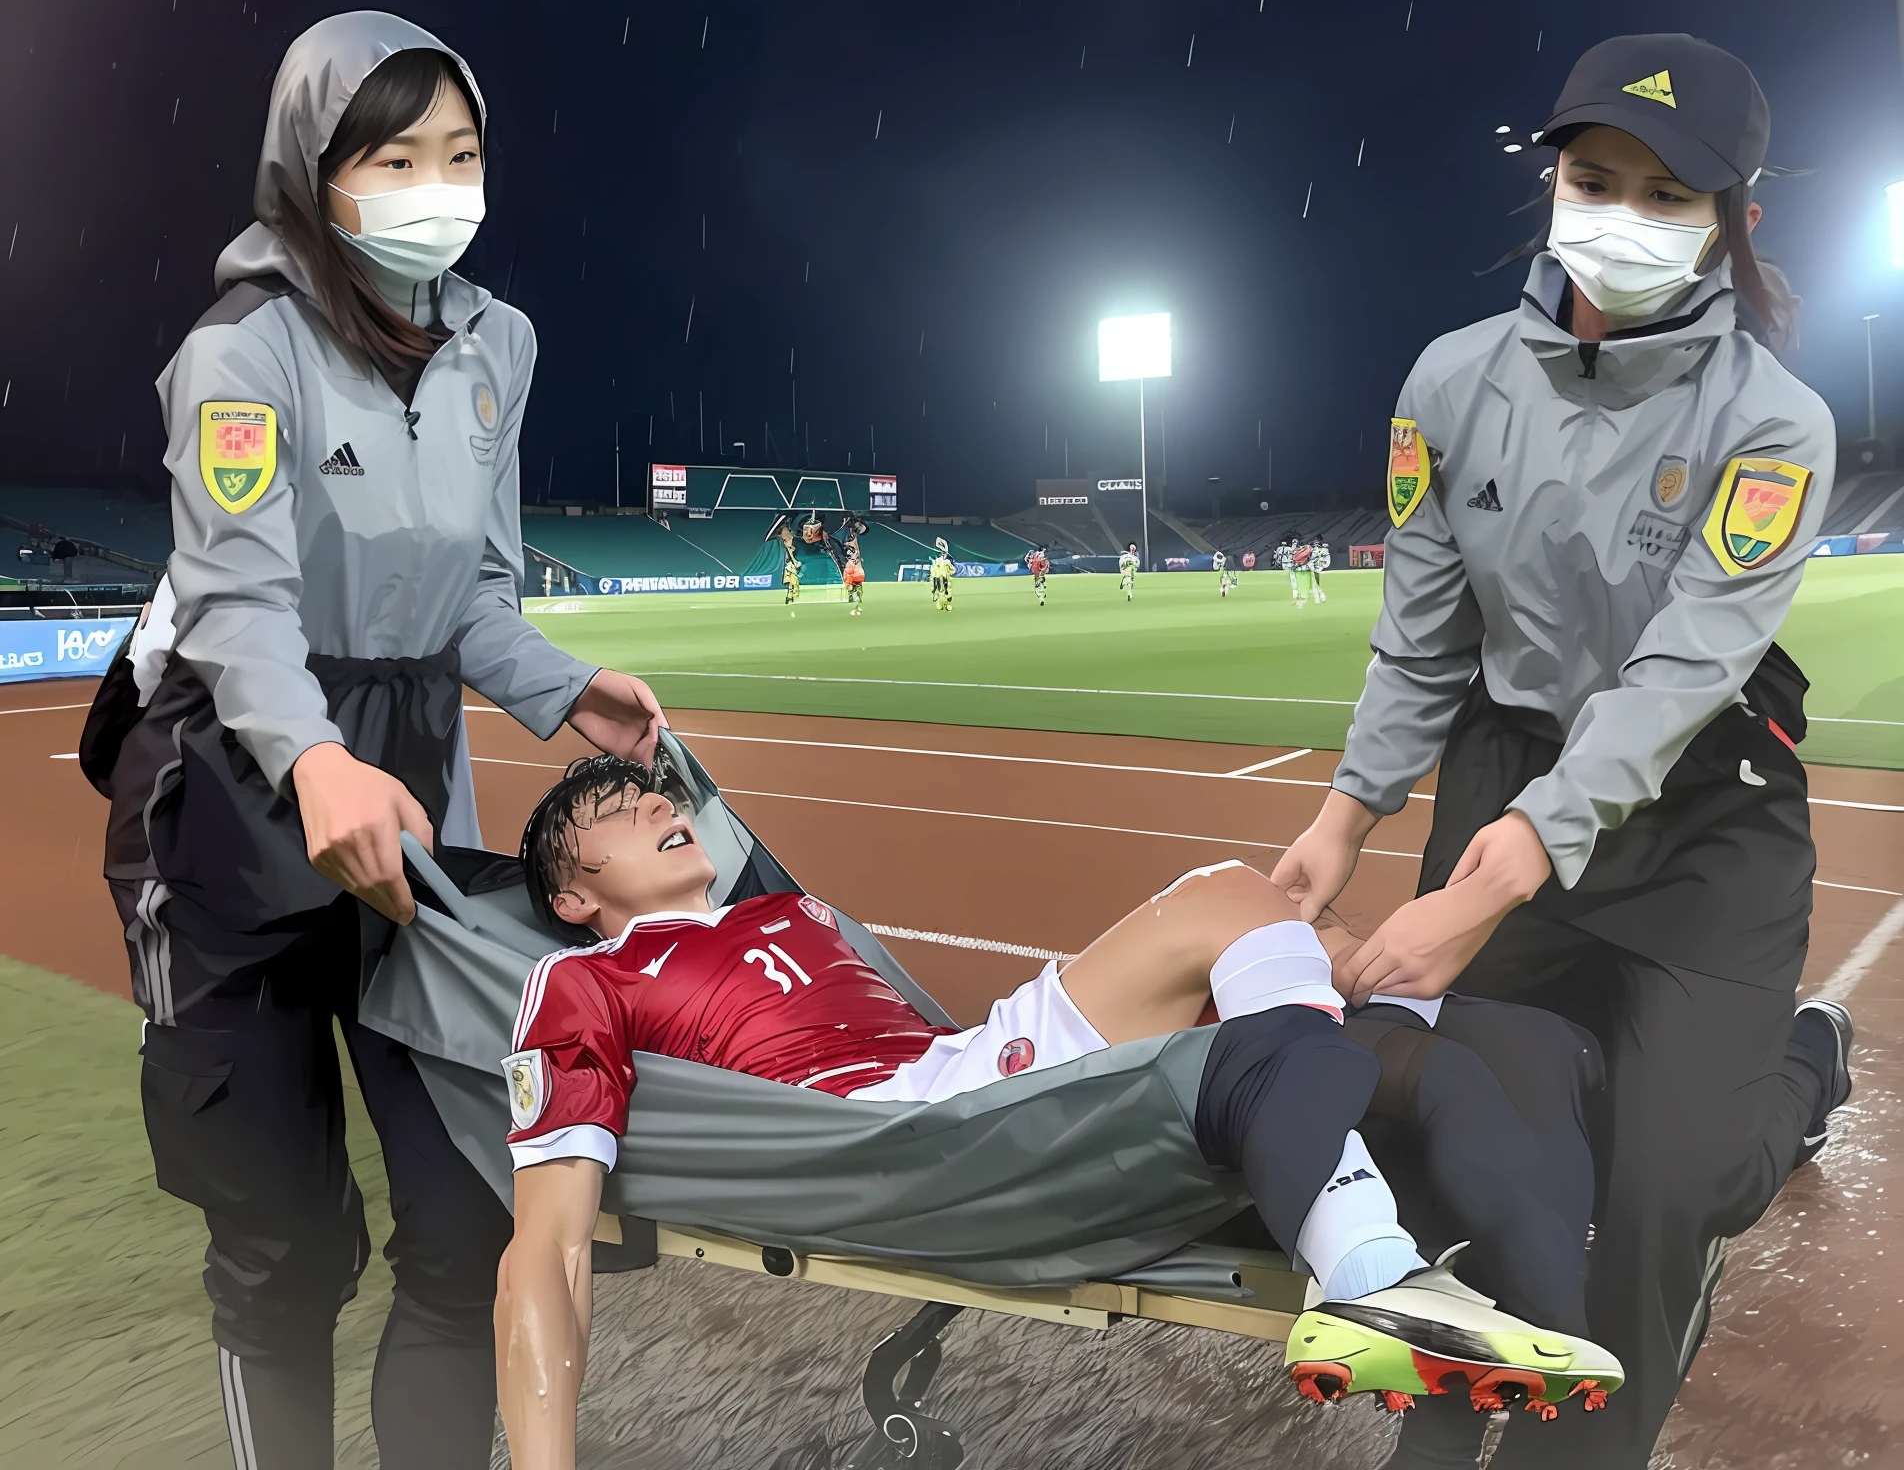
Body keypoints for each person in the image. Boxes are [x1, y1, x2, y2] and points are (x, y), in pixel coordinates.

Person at [88, 13, 666, 1470]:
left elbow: (473, 593)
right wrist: (312, 759)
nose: (437, 182)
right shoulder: (241, 347)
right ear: (315, 169)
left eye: (459, 153)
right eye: (394, 154)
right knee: (283, 1248)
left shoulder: (498, 347)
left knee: (464, 1230)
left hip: (410, 808)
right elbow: (235, 604)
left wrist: (556, 683)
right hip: (235, 797)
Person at [1272, 34, 1855, 1470]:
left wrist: (1498, 876)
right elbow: (1422, 635)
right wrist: (1347, 818)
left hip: (1703, 814)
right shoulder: (1449, 385)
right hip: (1501, 777)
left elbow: (1681, 675)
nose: (1623, 217)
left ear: (1735, 220)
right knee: (1463, 1148)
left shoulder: (1775, 424)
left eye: (1669, 196)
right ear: (1551, 183)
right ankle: (1450, 1422)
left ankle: (1804, 1065)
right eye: (1596, 179)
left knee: (1671, 1192)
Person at [493, 754, 1623, 1468]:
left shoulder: (787, 906)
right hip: (915, 1126)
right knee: (1236, 903)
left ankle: (1517, 1317)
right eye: (610, 808)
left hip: (964, 1064)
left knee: (1447, 1021)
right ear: (570, 893)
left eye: (651, 790)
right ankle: (1364, 1264)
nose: (650, 800)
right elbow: (543, 1243)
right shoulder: (587, 981)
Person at [930, 546, 956, 612]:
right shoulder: (940, 561)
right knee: (944, 590)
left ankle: (945, 604)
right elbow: (952, 569)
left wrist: (934, 576)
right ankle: (943, 603)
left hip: (943, 577)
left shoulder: (944, 561)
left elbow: (952, 569)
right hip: (941, 577)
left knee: (945, 590)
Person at [843, 548, 866, 615]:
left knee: (854, 590)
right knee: (855, 589)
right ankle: (855, 598)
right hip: (856, 578)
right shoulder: (851, 563)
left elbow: (849, 574)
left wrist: (848, 583)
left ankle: (854, 598)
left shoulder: (850, 563)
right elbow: (849, 574)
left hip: (856, 578)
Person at [1310, 538, 1330, 603]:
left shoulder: (1322, 550)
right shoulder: (1319, 550)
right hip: (1319, 566)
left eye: (1317, 545)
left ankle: (1320, 595)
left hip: (1319, 566)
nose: (1316, 546)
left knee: (1316, 581)